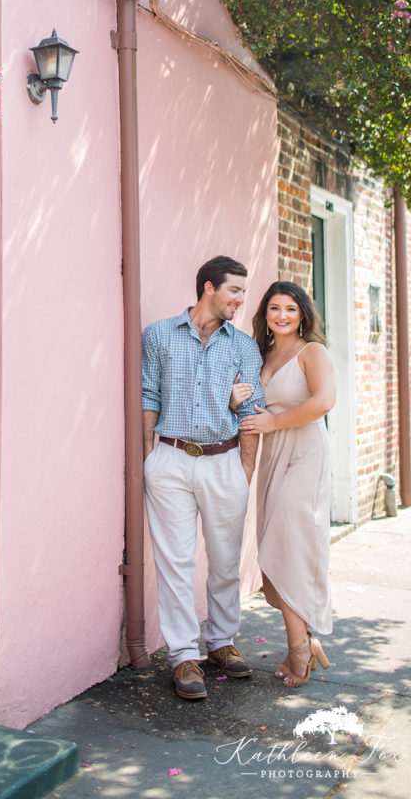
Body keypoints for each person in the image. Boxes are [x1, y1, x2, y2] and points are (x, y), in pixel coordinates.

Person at [142, 256, 264, 700]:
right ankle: (182, 656)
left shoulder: (244, 347)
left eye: (244, 293)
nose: (240, 300)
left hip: (224, 461)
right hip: (170, 458)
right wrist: (148, 458)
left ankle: (222, 642)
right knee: (174, 562)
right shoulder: (158, 335)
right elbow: (148, 394)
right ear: (208, 289)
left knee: (226, 559)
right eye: (235, 291)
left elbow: (251, 412)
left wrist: (245, 469)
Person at [233, 280, 336, 688]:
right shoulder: (262, 353)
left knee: (291, 543)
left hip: (305, 453)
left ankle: (299, 649)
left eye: (290, 309)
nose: (282, 316)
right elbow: (253, 405)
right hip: (272, 454)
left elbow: (324, 402)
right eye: (274, 308)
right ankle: (301, 641)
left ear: (303, 315)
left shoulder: (313, 352)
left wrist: (273, 421)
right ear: (265, 314)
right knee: (272, 547)